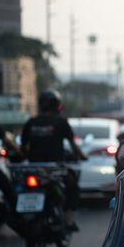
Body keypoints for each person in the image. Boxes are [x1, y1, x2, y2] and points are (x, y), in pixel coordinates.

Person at [21, 89, 86, 231]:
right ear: (57, 105)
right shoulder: (61, 122)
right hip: (54, 170)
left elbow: (23, 147)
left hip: (33, 169)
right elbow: (74, 146)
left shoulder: (31, 122)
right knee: (73, 188)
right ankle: (68, 220)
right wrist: (82, 156)